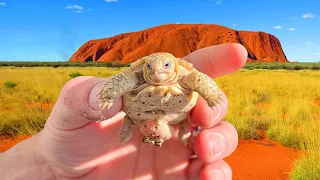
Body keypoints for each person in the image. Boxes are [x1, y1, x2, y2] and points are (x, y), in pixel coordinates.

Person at [0, 43, 247, 180]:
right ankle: (128, 131)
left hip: (178, 117)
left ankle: (183, 134)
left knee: (192, 123)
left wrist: (213, 96)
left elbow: (199, 81)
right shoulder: (137, 76)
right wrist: (107, 94)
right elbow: (123, 80)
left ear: (173, 66)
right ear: (146, 66)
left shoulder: (186, 75)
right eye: (151, 66)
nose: (157, 71)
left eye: (165, 66)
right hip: (134, 116)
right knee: (125, 114)